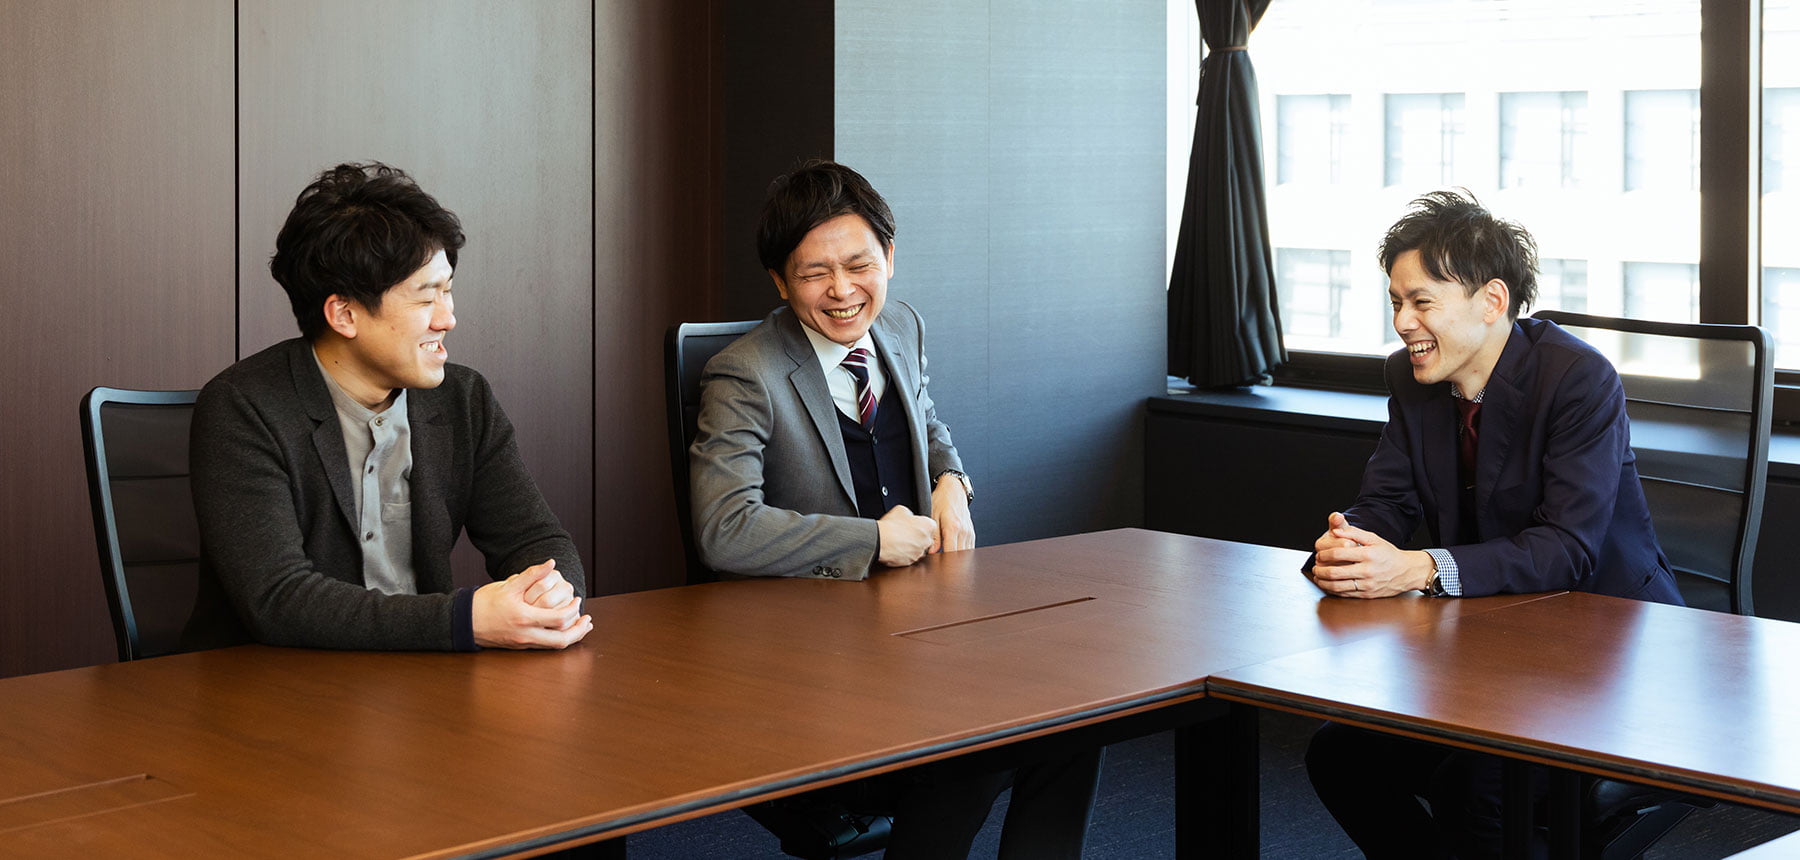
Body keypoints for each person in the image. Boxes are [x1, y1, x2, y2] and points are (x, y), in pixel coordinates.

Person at [689, 160, 1099, 858]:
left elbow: (928, 424)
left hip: (916, 632)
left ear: (889, 256)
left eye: (860, 265)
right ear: (781, 282)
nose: (843, 290)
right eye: (815, 273)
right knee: (973, 748)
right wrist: (872, 541)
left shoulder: (901, 328)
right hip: (809, 655)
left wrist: (952, 480)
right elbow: (724, 530)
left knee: (1075, 718)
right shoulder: (744, 373)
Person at [1302, 189, 1683, 859]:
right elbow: (1387, 501)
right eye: (1395, 302)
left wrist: (1420, 567)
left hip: (1610, 647)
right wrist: (1352, 543)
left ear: (1492, 301)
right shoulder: (1412, 379)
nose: (1403, 322)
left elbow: (1566, 549)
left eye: (1422, 302)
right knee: (1340, 756)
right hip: (1496, 646)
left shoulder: (1577, 379)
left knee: (1475, 788)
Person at [185, 162, 591, 652]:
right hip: (269, 681)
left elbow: (534, 539)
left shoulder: (464, 400)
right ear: (345, 314)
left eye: (448, 291)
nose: (448, 319)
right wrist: (464, 619)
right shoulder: (243, 407)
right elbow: (278, 600)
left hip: (421, 677)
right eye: (425, 299)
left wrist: (551, 596)